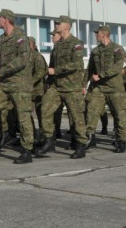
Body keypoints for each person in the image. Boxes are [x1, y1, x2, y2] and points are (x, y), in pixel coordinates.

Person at [0, 9, 34, 165]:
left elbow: (23, 59)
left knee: (23, 116)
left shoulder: (20, 37)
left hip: (19, 83)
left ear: (6, 20)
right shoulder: (2, 39)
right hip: (3, 83)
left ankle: (27, 150)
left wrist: (1, 72)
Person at [37, 16, 88, 158]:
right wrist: (48, 81)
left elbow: (77, 64)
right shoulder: (58, 45)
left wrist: (56, 71)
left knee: (76, 116)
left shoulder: (76, 43)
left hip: (71, 87)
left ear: (67, 26)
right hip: (57, 86)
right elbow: (51, 66)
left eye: (58, 24)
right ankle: (48, 140)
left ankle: (80, 145)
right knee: (45, 109)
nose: (56, 25)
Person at [84, 25, 126, 153]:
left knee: (120, 115)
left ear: (104, 34)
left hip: (115, 88)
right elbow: (90, 69)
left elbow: (117, 67)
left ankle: (121, 141)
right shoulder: (95, 51)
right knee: (91, 111)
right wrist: (83, 85)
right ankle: (90, 138)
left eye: (97, 33)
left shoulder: (117, 49)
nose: (96, 36)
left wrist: (101, 75)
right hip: (100, 88)